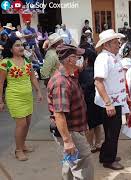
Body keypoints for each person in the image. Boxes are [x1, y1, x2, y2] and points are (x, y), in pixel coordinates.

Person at [47, 44, 94, 179]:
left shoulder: (68, 76)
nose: (81, 59)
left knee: (70, 162)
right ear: (69, 60)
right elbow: (59, 114)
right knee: (83, 165)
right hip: (71, 131)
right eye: (78, 57)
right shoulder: (61, 82)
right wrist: (67, 140)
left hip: (73, 130)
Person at [0, 37, 43, 161]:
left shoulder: (27, 61)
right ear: (10, 49)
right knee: (21, 124)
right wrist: (1, 101)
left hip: (28, 97)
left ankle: (22, 144)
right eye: (17, 45)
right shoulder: (5, 62)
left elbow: (33, 78)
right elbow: (1, 83)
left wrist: (38, 91)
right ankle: (18, 150)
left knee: (27, 123)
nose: (21, 47)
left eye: (21, 45)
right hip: (14, 96)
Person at [94, 29, 126, 170]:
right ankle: (109, 160)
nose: (118, 45)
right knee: (113, 132)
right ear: (106, 45)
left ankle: (105, 155)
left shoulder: (113, 56)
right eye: (115, 42)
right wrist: (108, 103)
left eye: (118, 42)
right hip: (110, 103)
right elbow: (98, 82)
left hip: (116, 101)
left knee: (111, 131)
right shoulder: (103, 58)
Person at [78, 46, 103, 153]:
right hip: (98, 100)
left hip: (89, 101)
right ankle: (98, 143)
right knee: (98, 123)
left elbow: (84, 88)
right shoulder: (97, 69)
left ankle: (90, 145)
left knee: (90, 125)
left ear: (87, 60)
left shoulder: (85, 72)